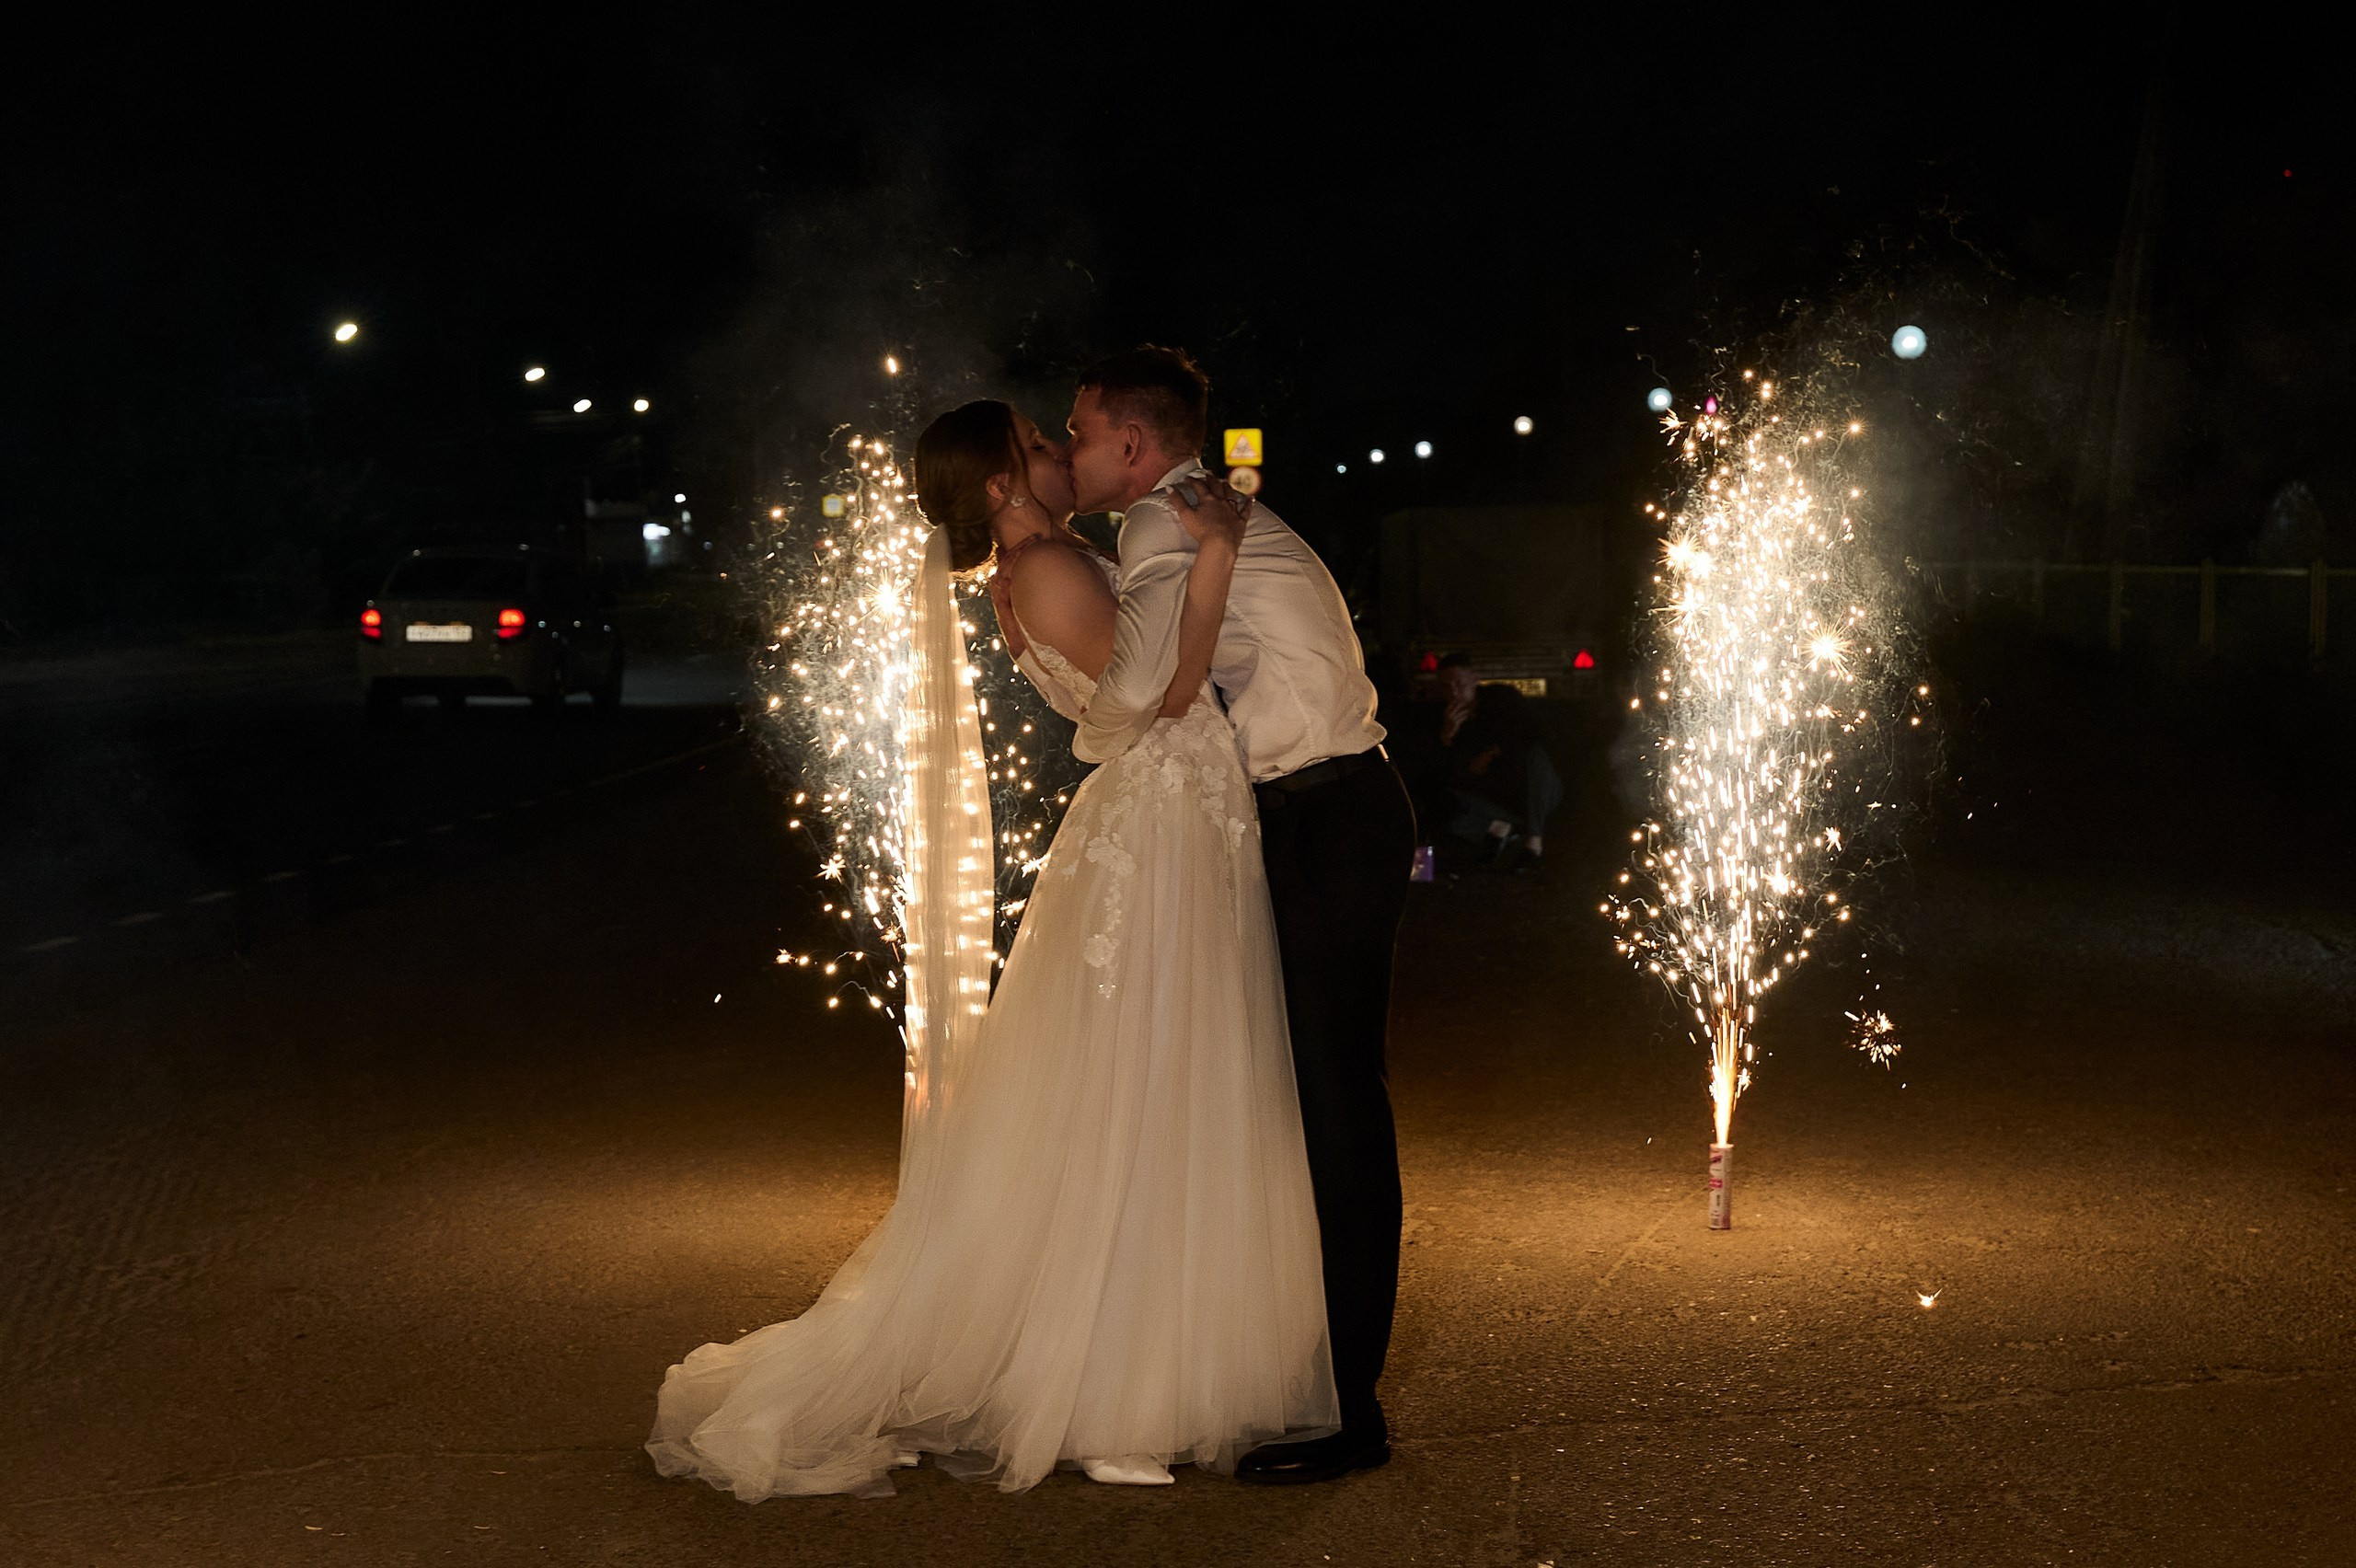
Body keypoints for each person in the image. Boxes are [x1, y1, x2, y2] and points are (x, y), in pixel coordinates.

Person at [646, 398, 1335, 1498]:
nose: (1061, 453)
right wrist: (1215, 555)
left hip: (1174, 819)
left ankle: (1131, 1375)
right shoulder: (1049, 569)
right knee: (1145, 1089)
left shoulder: (1041, 563)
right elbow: (1159, 697)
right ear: (1004, 483)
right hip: (1160, 825)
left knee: (1153, 1082)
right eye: (1040, 445)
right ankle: (1109, 1396)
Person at [1061, 346, 1414, 1485]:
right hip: (1327, 810)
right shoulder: (1201, 511)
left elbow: (1142, 685)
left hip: (1325, 815)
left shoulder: (1162, 521)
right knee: (1310, 1100)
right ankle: (1318, 1382)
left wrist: (1090, 735)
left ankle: (1350, 1409)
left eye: (1078, 433)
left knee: (1333, 1104)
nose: (1069, 452)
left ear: (1131, 443)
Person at [1446, 681, 1562, 872]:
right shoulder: (1455, 720)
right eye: (1447, 687)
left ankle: (1533, 843)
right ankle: (1500, 831)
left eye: (1459, 684)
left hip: (1528, 798)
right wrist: (1448, 736)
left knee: (1535, 761)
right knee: (1443, 805)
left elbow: (1528, 736)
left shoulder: (1513, 727)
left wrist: (1492, 753)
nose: (1453, 691)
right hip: (1496, 801)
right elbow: (1452, 772)